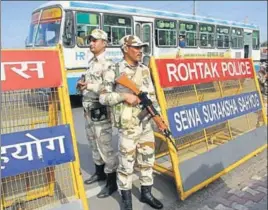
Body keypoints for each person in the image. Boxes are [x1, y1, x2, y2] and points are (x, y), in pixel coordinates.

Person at [99, 35, 163, 210]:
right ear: (125, 48)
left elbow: (151, 97)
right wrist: (124, 96)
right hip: (128, 126)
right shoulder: (114, 69)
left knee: (147, 160)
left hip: (146, 124)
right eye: (136, 47)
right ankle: (127, 202)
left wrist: (159, 117)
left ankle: (146, 193)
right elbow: (103, 97)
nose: (140, 50)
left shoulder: (144, 69)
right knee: (126, 165)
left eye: (141, 47)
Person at [76, 29, 118, 198]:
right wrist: (81, 85)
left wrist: (89, 86)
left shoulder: (108, 64)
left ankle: (111, 182)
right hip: (89, 112)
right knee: (93, 144)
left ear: (104, 43)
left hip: (100, 112)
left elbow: (108, 90)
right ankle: (99, 173)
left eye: (95, 40)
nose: (91, 43)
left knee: (105, 148)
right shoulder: (92, 62)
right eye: (90, 40)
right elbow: (88, 83)